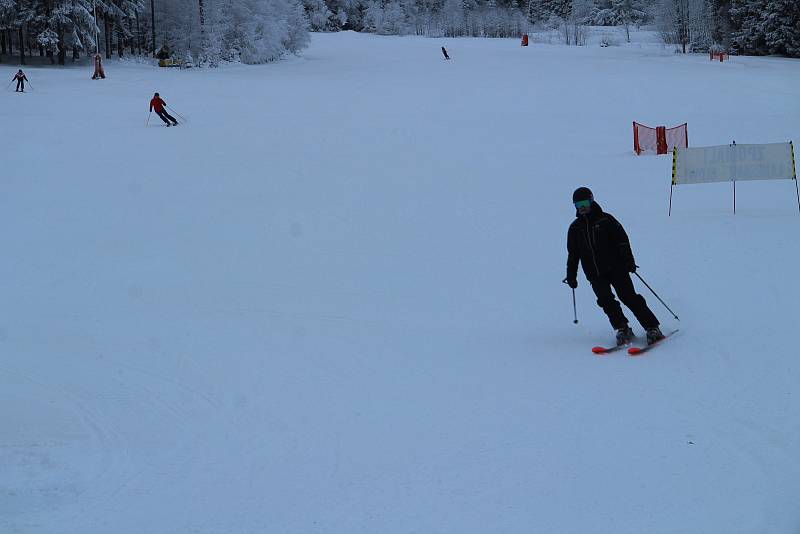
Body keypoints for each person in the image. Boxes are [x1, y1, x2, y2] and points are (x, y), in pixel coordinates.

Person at [564, 187, 664, 346]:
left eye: (584, 203)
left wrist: (628, 260)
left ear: (591, 201)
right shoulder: (575, 228)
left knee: (629, 297)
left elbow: (622, 241)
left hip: (616, 268)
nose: (582, 207)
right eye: (578, 204)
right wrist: (571, 275)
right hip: (594, 273)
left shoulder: (606, 220)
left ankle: (652, 327)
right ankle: (622, 328)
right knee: (606, 301)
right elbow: (573, 255)